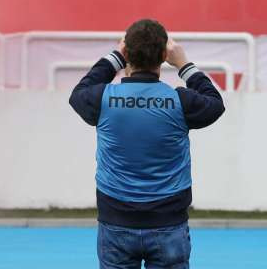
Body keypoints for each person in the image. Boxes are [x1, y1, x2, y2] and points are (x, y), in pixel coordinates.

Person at [69, 19, 225, 269]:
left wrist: (115, 57)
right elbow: (215, 103)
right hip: (169, 224)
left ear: (126, 53)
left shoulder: (103, 99)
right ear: (165, 55)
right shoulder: (179, 101)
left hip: (116, 223)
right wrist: (184, 64)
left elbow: (79, 93)